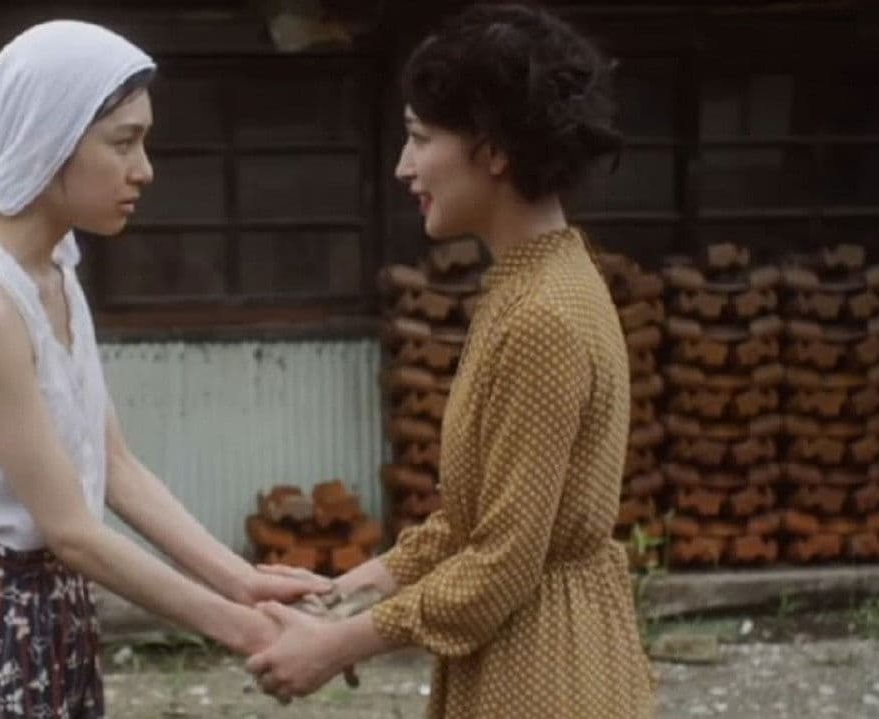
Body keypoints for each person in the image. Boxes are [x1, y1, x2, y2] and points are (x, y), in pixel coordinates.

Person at [0, 21, 328, 717]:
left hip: (52, 606)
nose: (143, 169)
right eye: (123, 143)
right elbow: (72, 530)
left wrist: (243, 581)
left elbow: (114, 466)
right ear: (48, 140)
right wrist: (250, 632)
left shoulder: (55, 270)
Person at [247, 4, 656, 717]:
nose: (403, 166)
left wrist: (336, 646)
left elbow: (502, 562)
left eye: (420, 138)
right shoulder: (537, 282)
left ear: (493, 150)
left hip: (541, 668)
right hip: (539, 643)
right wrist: (344, 591)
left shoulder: (541, 314)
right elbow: (474, 522)